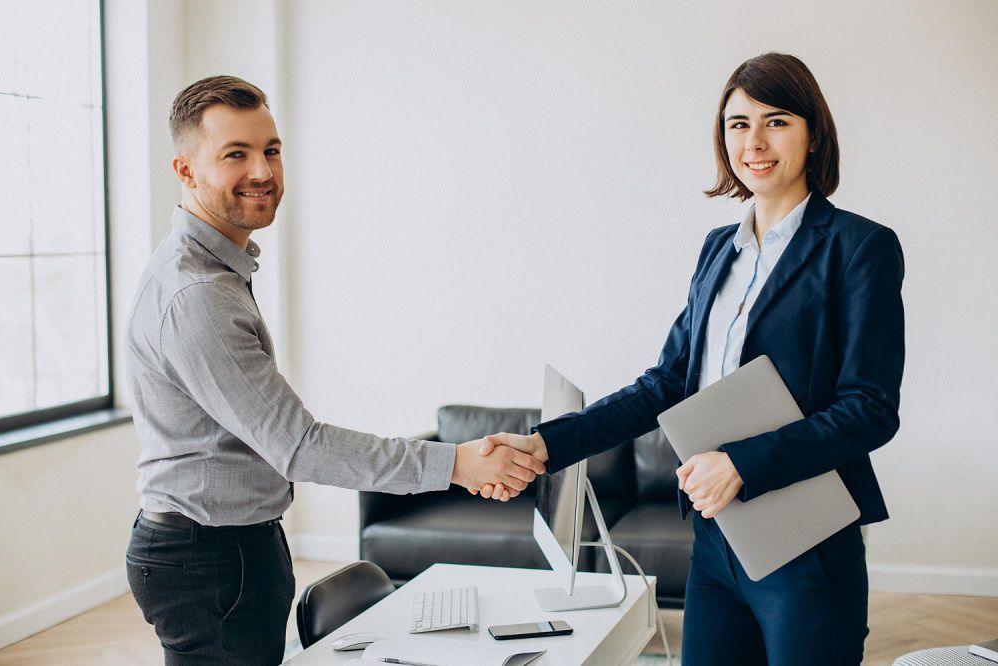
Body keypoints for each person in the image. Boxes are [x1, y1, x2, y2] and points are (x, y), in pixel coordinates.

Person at [476, 53, 904, 665]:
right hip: (713, 541)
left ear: (813, 135)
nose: (754, 141)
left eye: (776, 121)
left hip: (805, 546)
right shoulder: (717, 252)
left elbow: (870, 409)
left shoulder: (860, 248)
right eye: (737, 123)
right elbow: (666, 384)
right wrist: (545, 447)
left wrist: (742, 463)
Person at [124, 75, 545, 665]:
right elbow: (298, 445)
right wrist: (458, 463)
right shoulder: (197, 295)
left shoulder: (216, 271)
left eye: (270, 149)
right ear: (186, 170)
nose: (264, 172)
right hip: (210, 558)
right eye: (235, 155)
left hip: (225, 544)